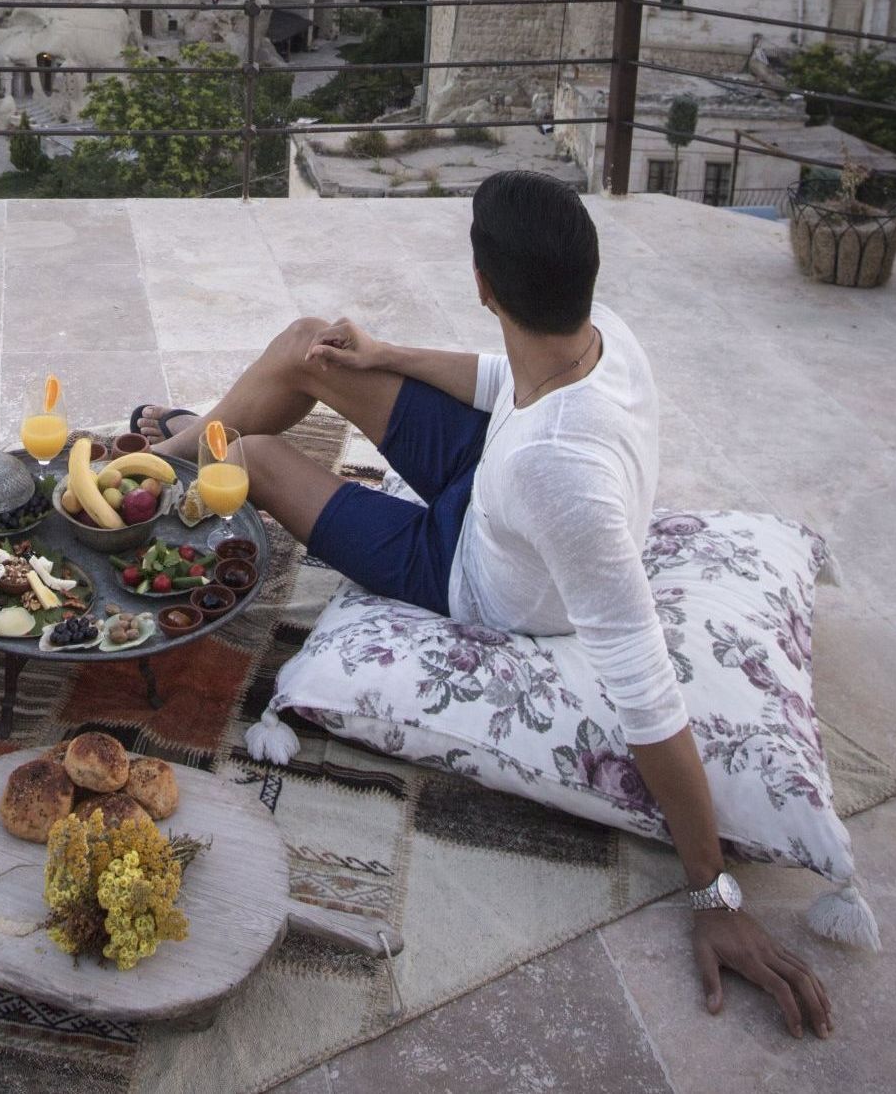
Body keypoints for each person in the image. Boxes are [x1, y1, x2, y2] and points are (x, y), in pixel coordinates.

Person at [136, 171, 833, 1039]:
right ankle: (168, 452)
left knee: (254, 455)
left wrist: (714, 893)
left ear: (482, 285)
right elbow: (507, 375)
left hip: (469, 569)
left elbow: (649, 691)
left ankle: (152, 478)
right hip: (494, 482)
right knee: (310, 345)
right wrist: (383, 354)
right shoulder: (600, 334)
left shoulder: (563, 474)